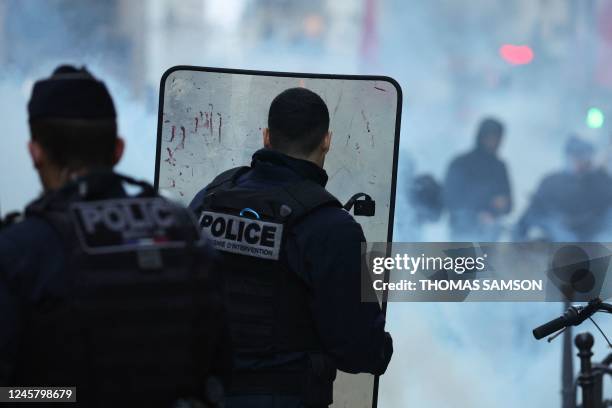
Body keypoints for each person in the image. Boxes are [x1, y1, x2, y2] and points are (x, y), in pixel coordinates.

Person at [0, 66, 231, 407]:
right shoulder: (184, 232)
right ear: (118, 150)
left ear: (35, 153)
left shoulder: (21, 250)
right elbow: (221, 368)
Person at [189, 87, 393, 408]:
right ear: (326, 140)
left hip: (203, 392)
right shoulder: (331, 227)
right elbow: (358, 350)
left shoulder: (212, 197)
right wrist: (382, 348)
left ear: (267, 136)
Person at [514, 135, 612, 242]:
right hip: (551, 242)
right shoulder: (551, 181)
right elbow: (530, 215)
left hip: (588, 244)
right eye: (575, 156)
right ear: (567, 156)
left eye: (583, 156)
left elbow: (606, 215)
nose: (579, 160)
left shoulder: (600, 184)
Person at [443, 117, 512, 241]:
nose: (494, 142)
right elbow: (450, 199)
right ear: (481, 136)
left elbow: (508, 203)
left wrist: (502, 204)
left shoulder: (499, 167)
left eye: (497, 138)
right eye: (490, 138)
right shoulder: (461, 163)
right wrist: (477, 214)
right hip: (462, 235)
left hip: (491, 238)